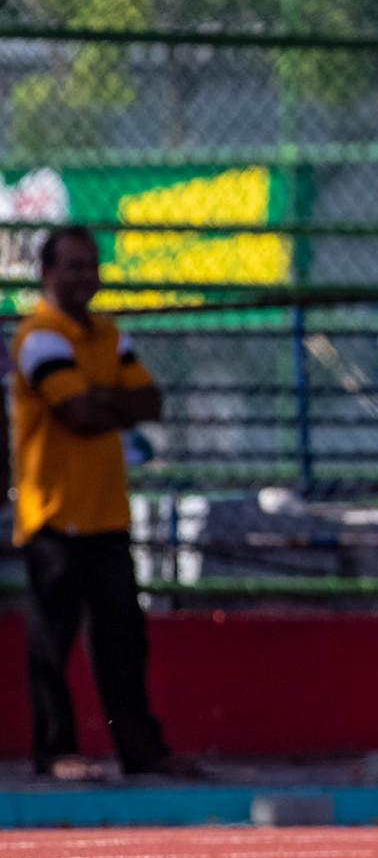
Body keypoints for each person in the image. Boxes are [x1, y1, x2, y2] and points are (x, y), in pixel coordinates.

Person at [14, 226, 195, 780]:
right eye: (71, 266)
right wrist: (113, 402)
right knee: (53, 643)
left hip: (107, 514)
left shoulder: (110, 336)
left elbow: (153, 403)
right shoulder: (39, 336)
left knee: (124, 641)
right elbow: (80, 417)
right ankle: (56, 752)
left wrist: (103, 398)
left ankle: (141, 752)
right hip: (53, 514)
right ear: (46, 273)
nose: (84, 277)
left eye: (90, 266)